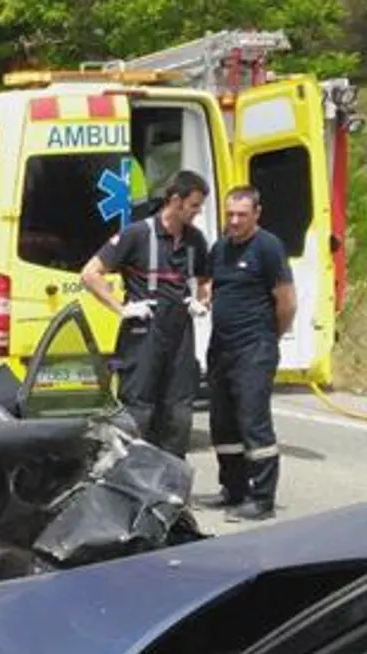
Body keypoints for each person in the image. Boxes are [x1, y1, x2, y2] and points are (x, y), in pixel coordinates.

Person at [80, 170, 212, 460]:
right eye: (194, 205)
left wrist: (202, 301)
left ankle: (171, 485)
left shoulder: (195, 240)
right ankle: (132, 480)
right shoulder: (137, 234)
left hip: (180, 333)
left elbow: (205, 279)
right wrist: (121, 308)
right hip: (143, 333)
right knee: (138, 410)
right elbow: (90, 274)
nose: (198, 212)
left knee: (178, 412)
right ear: (175, 201)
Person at [200, 185, 296, 523]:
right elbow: (211, 283)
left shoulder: (268, 247)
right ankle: (233, 489)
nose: (235, 221)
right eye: (230, 214)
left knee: (253, 423)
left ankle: (262, 499)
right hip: (221, 347)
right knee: (223, 424)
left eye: (242, 214)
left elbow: (286, 301)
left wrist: (271, 337)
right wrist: (205, 297)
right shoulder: (221, 247)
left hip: (254, 348)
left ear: (257, 213)